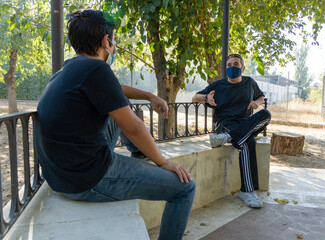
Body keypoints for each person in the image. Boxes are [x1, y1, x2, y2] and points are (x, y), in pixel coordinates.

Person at [35, 9, 195, 240]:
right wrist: (163, 162)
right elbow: (133, 128)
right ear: (105, 41)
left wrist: (149, 96)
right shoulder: (97, 69)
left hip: (60, 175)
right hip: (86, 179)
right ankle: (143, 161)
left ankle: (138, 156)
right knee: (185, 188)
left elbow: (114, 90)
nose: (115, 44)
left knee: (119, 107)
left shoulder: (68, 70)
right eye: (114, 39)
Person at [192, 53, 271, 209]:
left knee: (266, 115)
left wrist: (256, 102)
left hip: (245, 123)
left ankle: (227, 138)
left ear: (242, 67)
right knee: (248, 141)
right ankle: (247, 191)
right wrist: (207, 97)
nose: (232, 67)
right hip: (225, 123)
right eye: (229, 65)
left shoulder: (249, 82)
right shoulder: (218, 85)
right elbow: (195, 97)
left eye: (236, 64)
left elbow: (261, 97)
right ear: (226, 68)